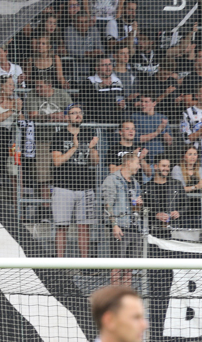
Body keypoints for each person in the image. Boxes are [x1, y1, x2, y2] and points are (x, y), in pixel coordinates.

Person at [51, 104, 100, 258]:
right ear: (67, 117)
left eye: (80, 113)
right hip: (63, 187)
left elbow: (94, 162)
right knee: (62, 227)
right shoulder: (59, 135)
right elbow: (57, 162)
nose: (78, 115)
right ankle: (60, 263)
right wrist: (74, 147)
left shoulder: (89, 133)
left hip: (85, 187)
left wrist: (92, 148)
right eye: (74, 113)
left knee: (84, 227)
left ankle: (84, 262)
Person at [101, 151, 143, 287]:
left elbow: (134, 208)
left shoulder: (136, 183)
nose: (139, 167)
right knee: (117, 265)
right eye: (137, 163)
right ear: (128, 162)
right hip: (120, 227)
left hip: (134, 227)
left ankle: (125, 298)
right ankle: (115, 297)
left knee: (129, 268)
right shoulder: (112, 180)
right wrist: (114, 225)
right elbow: (107, 205)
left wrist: (138, 204)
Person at [0, 74, 22, 188]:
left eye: (13, 84)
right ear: (2, 86)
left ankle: (17, 205)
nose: (13, 87)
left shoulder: (15, 102)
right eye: (10, 84)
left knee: (15, 174)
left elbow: (22, 120)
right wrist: (12, 110)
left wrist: (19, 109)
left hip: (12, 142)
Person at [143, 156, 183, 234]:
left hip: (173, 229)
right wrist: (155, 215)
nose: (167, 169)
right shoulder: (146, 187)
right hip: (153, 230)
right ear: (155, 166)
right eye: (163, 166)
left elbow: (186, 204)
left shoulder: (176, 184)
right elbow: (142, 209)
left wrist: (178, 212)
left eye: (168, 166)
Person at [172, 145, 202, 227]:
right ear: (184, 156)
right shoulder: (177, 169)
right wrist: (196, 187)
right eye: (190, 154)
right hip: (182, 207)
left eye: (195, 154)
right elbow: (179, 189)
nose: (193, 157)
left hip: (197, 208)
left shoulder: (199, 169)